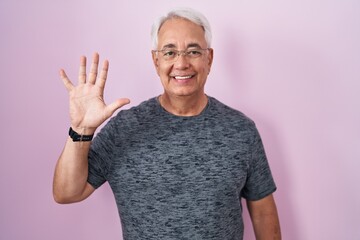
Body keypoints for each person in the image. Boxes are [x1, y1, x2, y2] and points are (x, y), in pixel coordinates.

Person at [53, 7, 281, 240]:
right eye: (170, 53)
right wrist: (82, 130)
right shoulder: (124, 129)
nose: (181, 63)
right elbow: (67, 193)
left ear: (209, 58)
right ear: (156, 60)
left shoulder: (240, 130)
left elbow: (263, 212)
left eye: (193, 51)